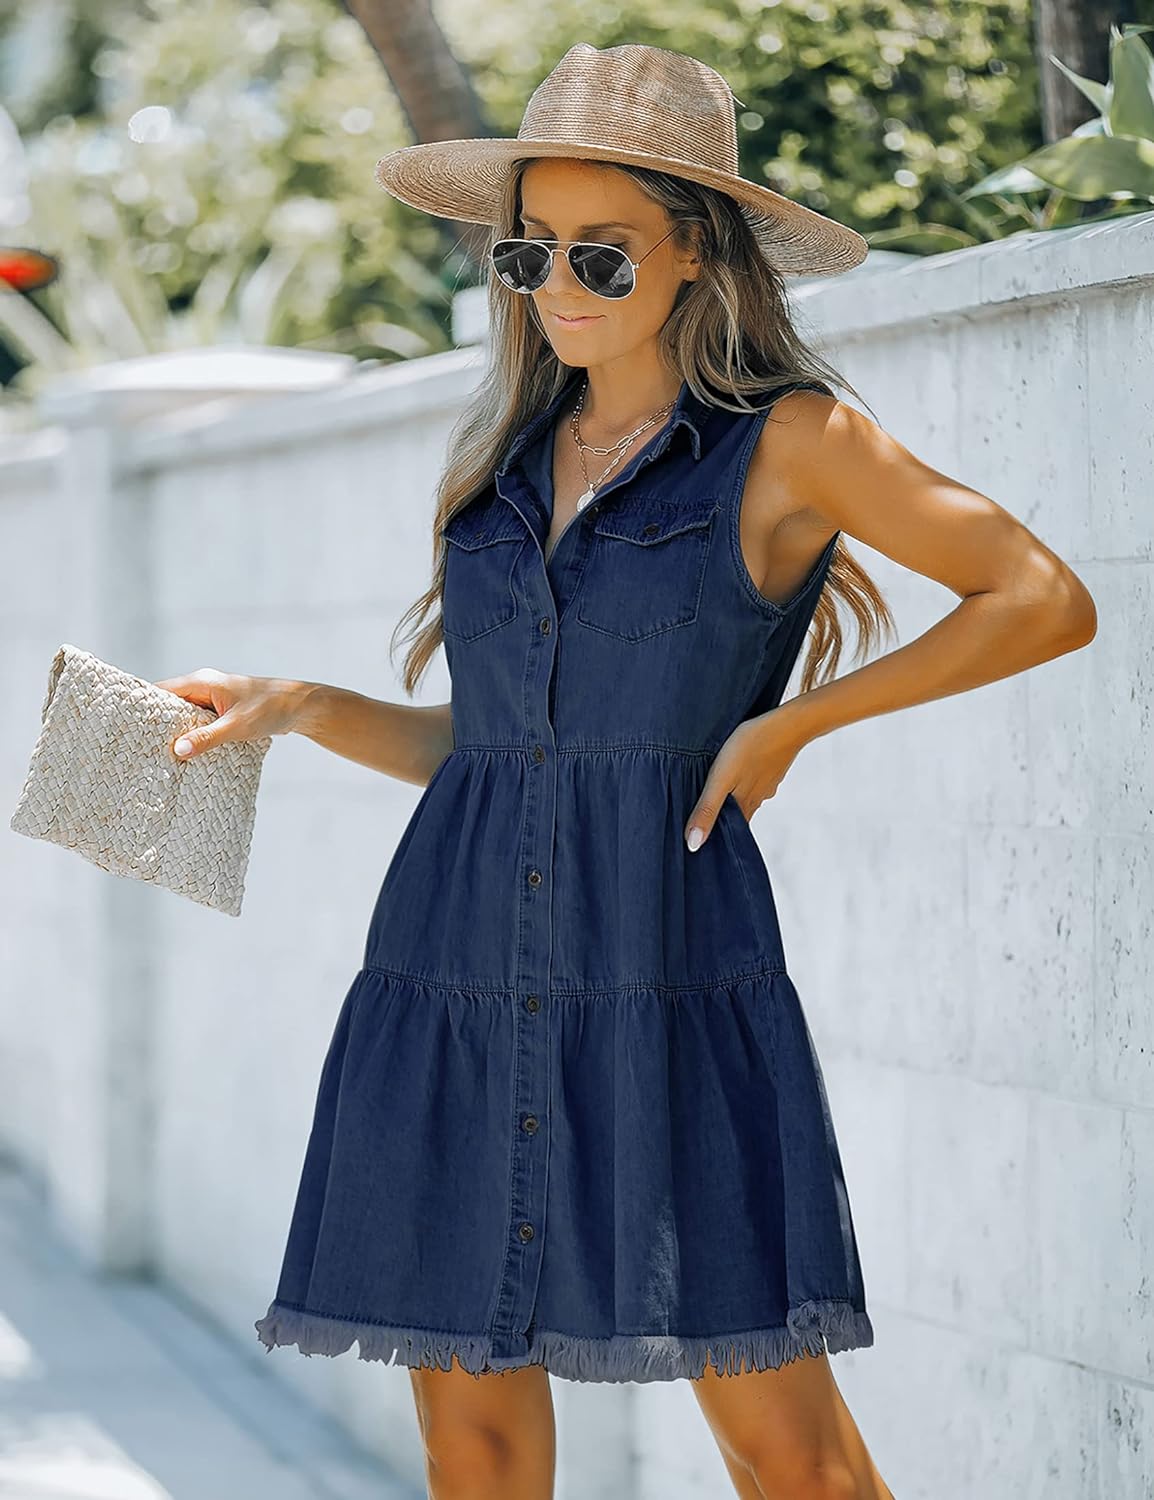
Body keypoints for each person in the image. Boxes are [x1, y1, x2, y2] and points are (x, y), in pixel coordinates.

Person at [156, 41, 1096, 1500]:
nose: (558, 287)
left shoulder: (792, 443)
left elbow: (1038, 596)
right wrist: (297, 707)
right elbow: (496, 755)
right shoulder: (499, 467)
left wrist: (790, 724)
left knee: (787, 1456)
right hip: (451, 979)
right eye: (528, 253)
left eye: (600, 254)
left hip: (668, 979)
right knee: (470, 1441)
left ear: (696, 250)